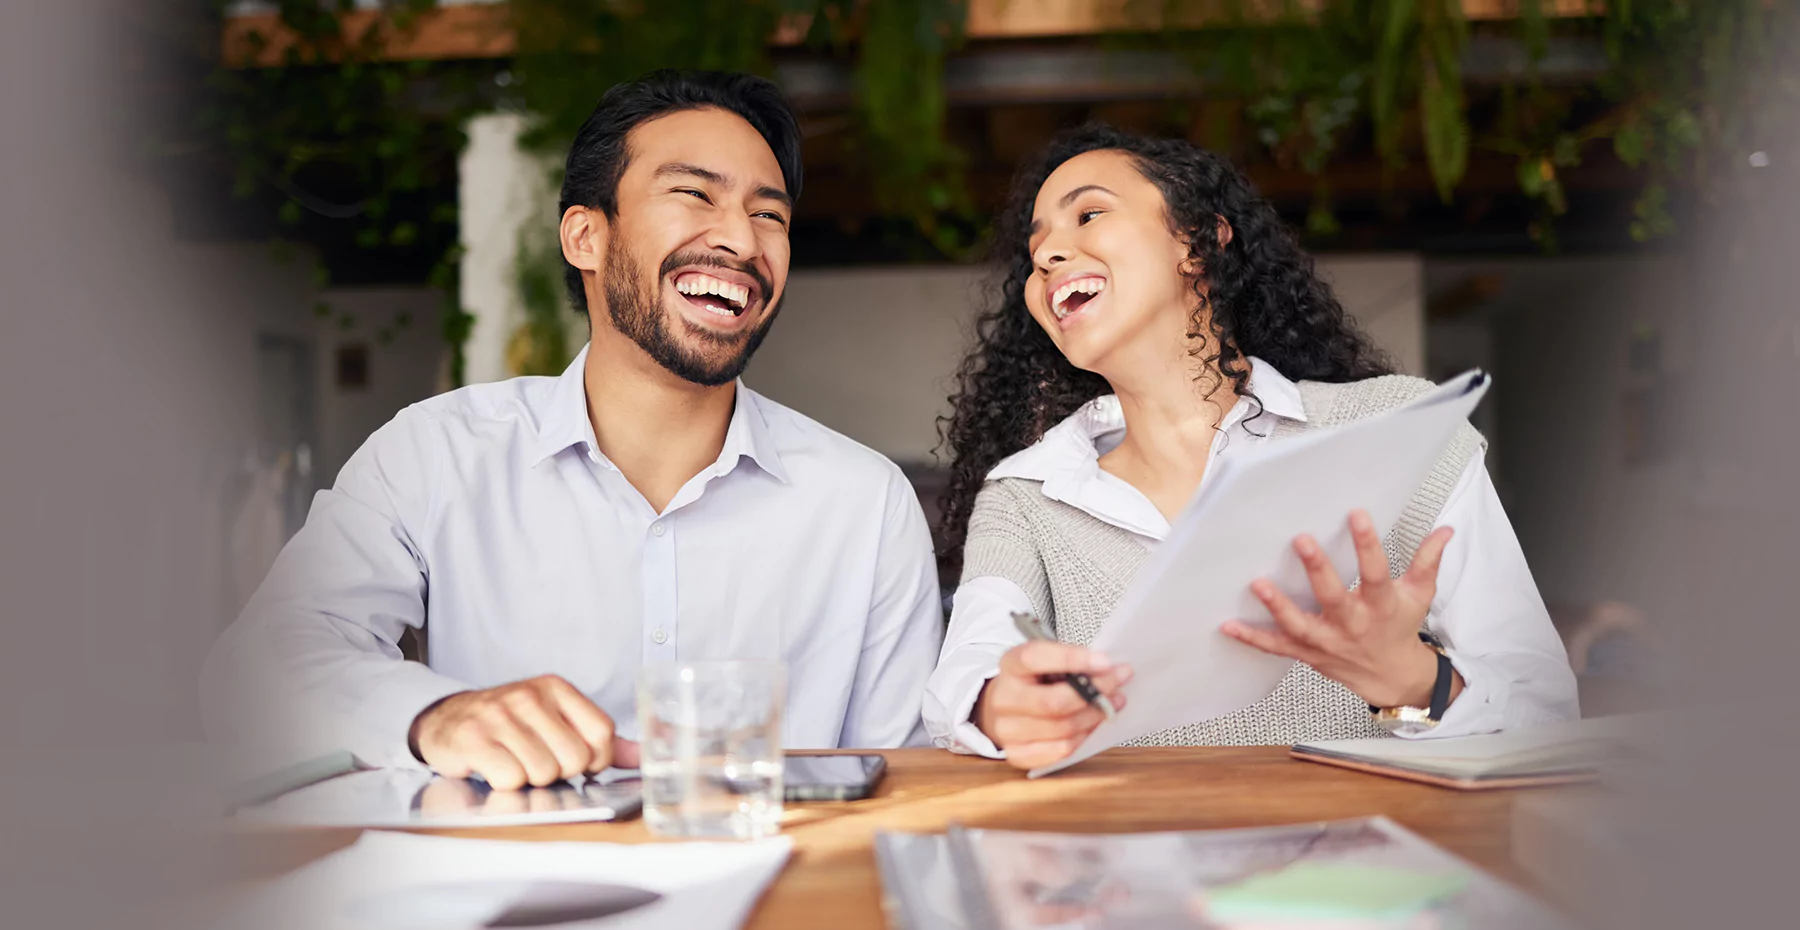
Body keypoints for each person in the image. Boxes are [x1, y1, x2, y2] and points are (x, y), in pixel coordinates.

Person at [201, 71, 945, 789]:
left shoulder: (865, 504)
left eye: (769, 214)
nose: (742, 242)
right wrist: (434, 716)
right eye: (694, 194)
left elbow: (908, 785)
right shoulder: (437, 454)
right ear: (585, 237)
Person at [923, 124, 1578, 770]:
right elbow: (968, 673)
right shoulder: (1026, 496)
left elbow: (1544, 707)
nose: (1047, 257)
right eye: (1035, 248)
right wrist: (997, 706)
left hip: (1365, 865)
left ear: (1199, 242)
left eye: (1088, 214)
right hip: (1134, 869)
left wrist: (1413, 682)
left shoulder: (1400, 428)